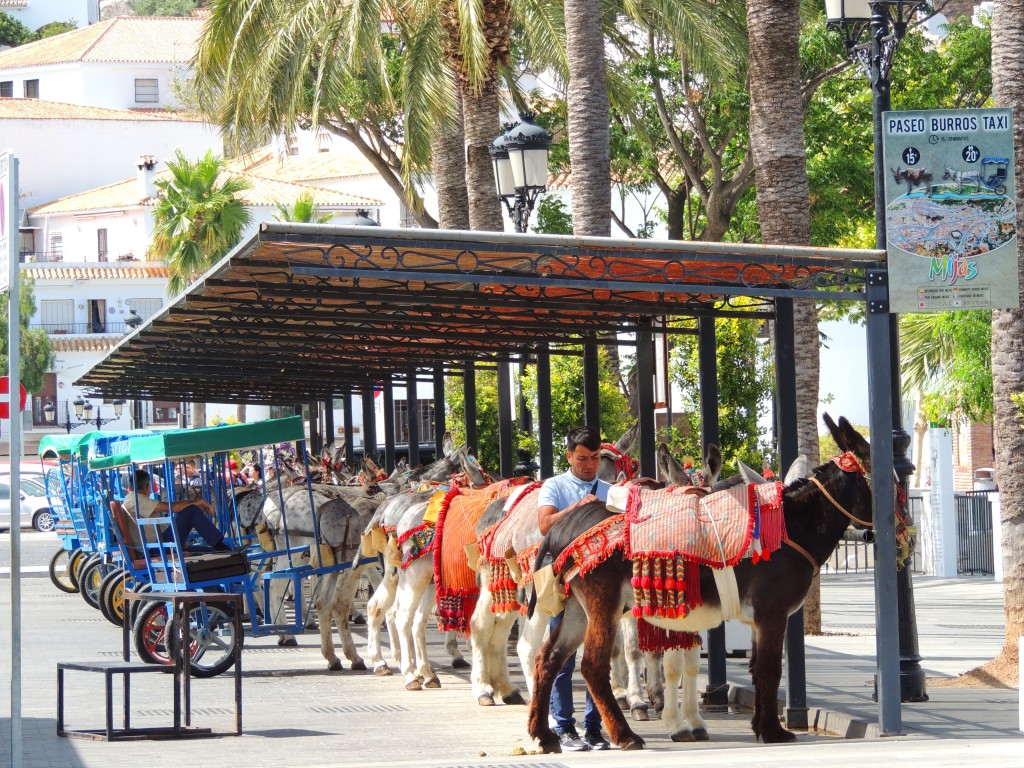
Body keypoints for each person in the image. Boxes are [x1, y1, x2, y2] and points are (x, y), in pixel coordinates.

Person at [537, 425, 612, 752]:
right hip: (566, 583)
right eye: (582, 458)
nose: (589, 464)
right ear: (569, 456)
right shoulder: (554, 486)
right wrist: (580, 509)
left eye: (594, 458)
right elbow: (544, 524)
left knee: (600, 657)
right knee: (563, 657)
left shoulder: (612, 490)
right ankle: (564, 726)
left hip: (604, 589)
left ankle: (594, 728)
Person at [123, 468, 232, 552]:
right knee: (191, 510)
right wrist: (200, 502)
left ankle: (222, 550)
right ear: (147, 487)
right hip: (158, 547)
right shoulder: (136, 499)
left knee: (211, 552)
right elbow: (171, 508)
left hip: (158, 543)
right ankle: (219, 544)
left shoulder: (131, 499)